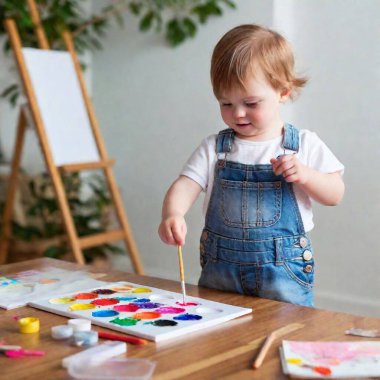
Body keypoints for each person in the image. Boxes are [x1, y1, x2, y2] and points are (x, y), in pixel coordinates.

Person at [158, 24, 344, 306]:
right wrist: (173, 214)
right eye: (226, 104)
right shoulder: (215, 149)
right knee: (219, 330)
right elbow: (186, 184)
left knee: (284, 330)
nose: (238, 113)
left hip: (283, 271)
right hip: (221, 270)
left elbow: (335, 194)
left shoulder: (303, 144)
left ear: (283, 91)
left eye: (250, 103)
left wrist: (305, 175)